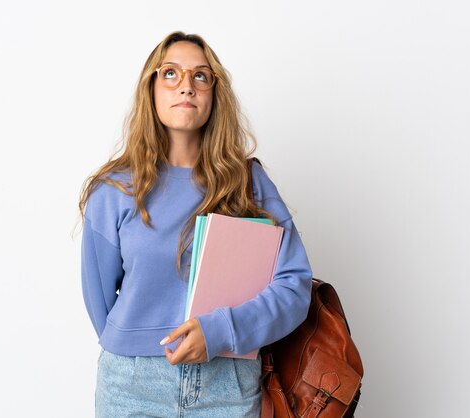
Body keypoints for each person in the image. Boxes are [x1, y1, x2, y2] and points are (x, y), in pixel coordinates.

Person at [78, 31, 312, 417]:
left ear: (213, 94)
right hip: (132, 388)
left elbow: (294, 286)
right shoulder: (114, 190)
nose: (186, 86)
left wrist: (221, 331)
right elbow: (99, 302)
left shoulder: (248, 183)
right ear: (150, 88)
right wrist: (140, 343)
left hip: (228, 385)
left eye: (200, 76)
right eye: (170, 73)